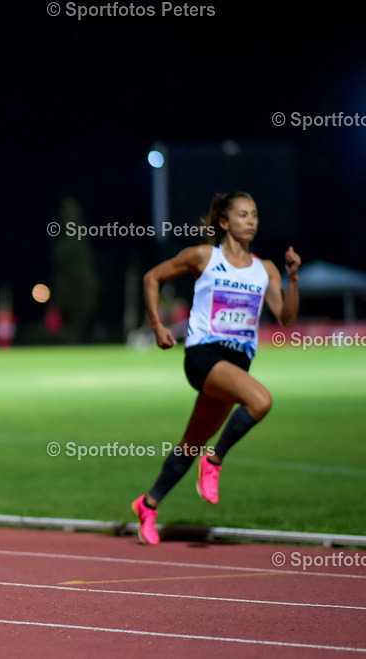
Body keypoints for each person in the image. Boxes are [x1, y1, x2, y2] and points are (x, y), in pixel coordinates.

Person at [132, 191, 300, 544]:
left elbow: (285, 318)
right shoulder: (204, 256)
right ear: (224, 222)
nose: (251, 221)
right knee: (261, 401)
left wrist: (293, 279)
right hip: (204, 356)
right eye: (242, 215)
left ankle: (148, 504)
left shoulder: (265, 269)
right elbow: (151, 278)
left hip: (237, 362)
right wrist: (157, 325)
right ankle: (216, 461)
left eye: (254, 214)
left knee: (190, 444)